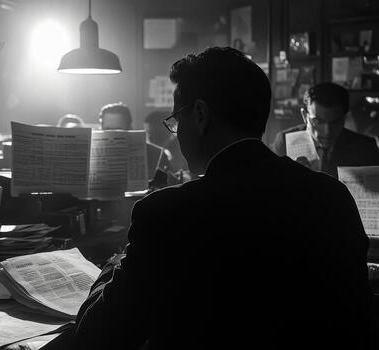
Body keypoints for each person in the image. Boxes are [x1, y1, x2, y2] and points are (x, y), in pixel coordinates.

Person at [55, 47, 375, 350]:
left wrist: (115, 262)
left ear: (200, 114)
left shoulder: (167, 214)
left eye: (177, 120)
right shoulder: (333, 196)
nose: (177, 132)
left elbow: (96, 336)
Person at [271, 82, 379, 178]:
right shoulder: (284, 142)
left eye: (335, 122)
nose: (327, 131)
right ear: (304, 116)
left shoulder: (365, 147)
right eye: (317, 121)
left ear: (344, 118)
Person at [98, 102, 172, 180]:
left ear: (129, 128)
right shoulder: (92, 156)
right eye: (107, 129)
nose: (111, 135)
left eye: (118, 130)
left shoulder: (157, 156)